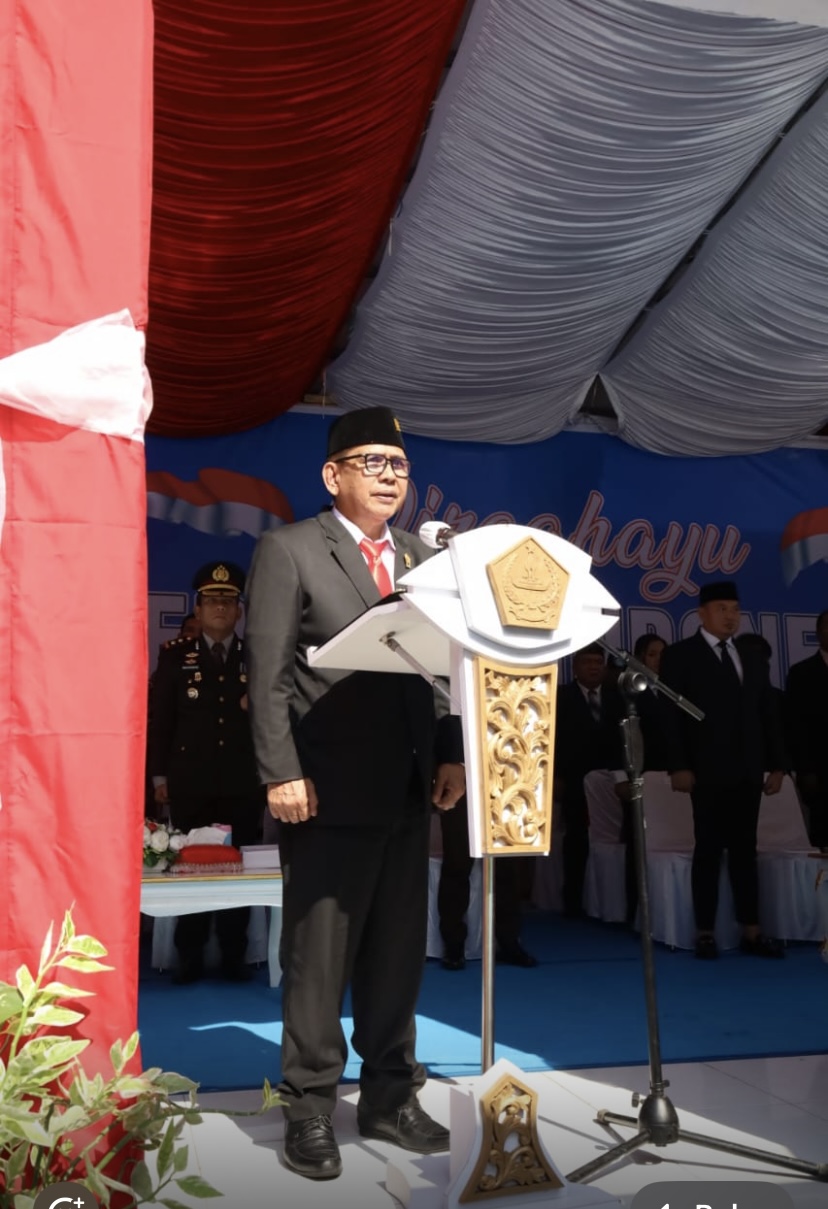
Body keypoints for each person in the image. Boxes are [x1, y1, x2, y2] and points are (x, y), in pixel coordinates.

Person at [245, 406, 465, 1182]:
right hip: (324, 790)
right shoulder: (291, 549)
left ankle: (389, 1097)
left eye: (398, 464)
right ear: (332, 474)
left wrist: (449, 752)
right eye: (372, 462)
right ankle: (308, 1105)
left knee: (397, 953)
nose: (388, 476)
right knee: (319, 957)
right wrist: (280, 770)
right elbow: (268, 673)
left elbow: (439, 670)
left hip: (408, 788)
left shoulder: (421, 558)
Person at [148, 561, 264, 983]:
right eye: (211, 600)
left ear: (239, 611)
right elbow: (161, 722)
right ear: (197, 609)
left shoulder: (256, 656)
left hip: (242, 782)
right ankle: (189, 956)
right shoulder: (176, 656)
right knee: (190, 869)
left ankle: (234, 955)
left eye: (228, 602)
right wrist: (160, 778)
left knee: (239, 869)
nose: (219, 607)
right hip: (191, 782)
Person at [659, 582, 787, 960]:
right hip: (706, 770)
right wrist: (679, 765)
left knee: (746, 850)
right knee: (709, 849)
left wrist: (778, 765)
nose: (730, 616)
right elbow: (670, 717)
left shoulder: (750, 655)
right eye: (721, 609)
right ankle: (705, 932)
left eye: (735, 609)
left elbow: (768, 713)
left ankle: (752, 930)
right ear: (702, 613)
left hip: (748, 769)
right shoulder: (682, 655)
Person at [554, 643, 623, 917]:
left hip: (612, 781)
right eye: (587, 662)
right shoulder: (560, 697)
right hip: (573, 780)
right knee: (577, 838)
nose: (594, 667)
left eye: (598, 662)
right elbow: (553, 741)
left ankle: (611, 901)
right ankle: (573, 900)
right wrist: (556, 777)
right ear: (575, 667)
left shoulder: (618, 697)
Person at [436, 795, 536, 970]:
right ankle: (453, 943)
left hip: (503, 788)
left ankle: (509, 940)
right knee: (456, 865)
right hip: (462, 789)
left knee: (506, 868)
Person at [785, 610, 828, 849]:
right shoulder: (802, 672)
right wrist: (805, 769)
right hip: (819, 771)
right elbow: (796, 725)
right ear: (818, 632)